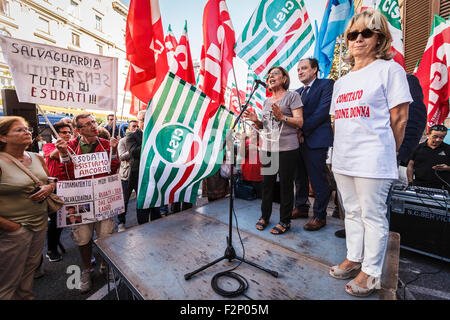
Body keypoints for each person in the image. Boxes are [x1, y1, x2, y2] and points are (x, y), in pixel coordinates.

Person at [328, 9, 411, 297]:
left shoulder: (390, 70)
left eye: (367, 33)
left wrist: (387, 151)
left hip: (373, 158)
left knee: (373, 216)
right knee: (351, 212)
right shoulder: (341, 82)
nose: (358, 39)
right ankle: (354, 257)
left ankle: (372, 272)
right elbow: (337, 121)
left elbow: (399, 118)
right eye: (353, 34)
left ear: (380, 38)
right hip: (343, 158)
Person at [55, 113, 120, 293]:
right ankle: (86, 269)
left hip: (104, 200)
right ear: (78, 130)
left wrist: (114, 153)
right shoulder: (69, 147)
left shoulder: (106, 144)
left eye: (93, 122)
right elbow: (65, 177)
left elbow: (113, 170)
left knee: (106, 236)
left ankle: (106, 266)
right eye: (87, 124)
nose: (93, 126)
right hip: (79, 201)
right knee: (83, 239)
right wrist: (63, 154)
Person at [0, 116, 56, 299]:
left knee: (27, 278)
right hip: (12, 232)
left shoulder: (37, 158)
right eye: (19, 130)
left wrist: (49, 187)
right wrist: (13, 228)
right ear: (3, 137)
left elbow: (50, 180)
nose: (27, 132)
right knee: (7, 284)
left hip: (39, 226)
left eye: (27, 129)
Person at [245, 66, 303, 235]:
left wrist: (282, 117)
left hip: (287, 148)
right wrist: (256, 121)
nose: (270, 77)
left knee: (285, 185)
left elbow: (299, 122)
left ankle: (285, 221)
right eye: (269, 75)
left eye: (275, 74)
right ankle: (265, 216)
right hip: (268, 148)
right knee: (267, 185)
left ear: (285, 78)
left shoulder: (293, 96)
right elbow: (265, 126)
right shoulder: (266, 101)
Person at [293, 58, 334, 231]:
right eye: (298, 70)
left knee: (318, 179)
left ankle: (319, 215)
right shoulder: (295, 93)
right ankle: (301, 207)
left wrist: (302, 130)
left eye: (304, 68)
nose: (300, 72)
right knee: (299, 177)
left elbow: (322, 112)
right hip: (298, 142)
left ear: (315, 69)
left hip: (316, 140)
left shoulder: (326, 85)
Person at [42, 121, 73, 262]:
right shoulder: (48, 146)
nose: (67, 134)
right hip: (56, 187)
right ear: (56, 134)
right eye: (63, 132)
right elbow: (55, 155)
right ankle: (50, 249)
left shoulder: (71, 145)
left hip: (70, 186)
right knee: (56, 220)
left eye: (69, 132)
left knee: (66, 218)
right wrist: (63, 146)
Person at [126, 111, 161, 224]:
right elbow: (134, 152)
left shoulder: (157, 134)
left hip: (154, 172)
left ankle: (156, 223)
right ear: (139, 121)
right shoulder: (132, 135)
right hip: (139, 174)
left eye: (149, 119)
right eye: (144, 119)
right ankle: (142, 226)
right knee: (142, 201)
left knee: (155, 199)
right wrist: (149, 141)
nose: (147, 122)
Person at [407, 124, 450, 190]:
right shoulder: (418, 148)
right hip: (419, 186)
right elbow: (410, 165)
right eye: (435, 136)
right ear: (428, 134)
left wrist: (447, 168)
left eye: (441, 137)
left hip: (442, 188)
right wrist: (410, 182)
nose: (438, 140)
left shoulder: (448, 149)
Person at [117, 119, 138, 232]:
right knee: (124, 201)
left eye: (137, 126)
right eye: (133, 126)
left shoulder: (142, 139)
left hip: (138, 174)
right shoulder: (123, 141)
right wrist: (133, 150)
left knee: (140, 199)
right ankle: (121, 222)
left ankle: (141, 220)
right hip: (126, 175)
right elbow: (121, 156)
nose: (136, 128)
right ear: (128, 129)